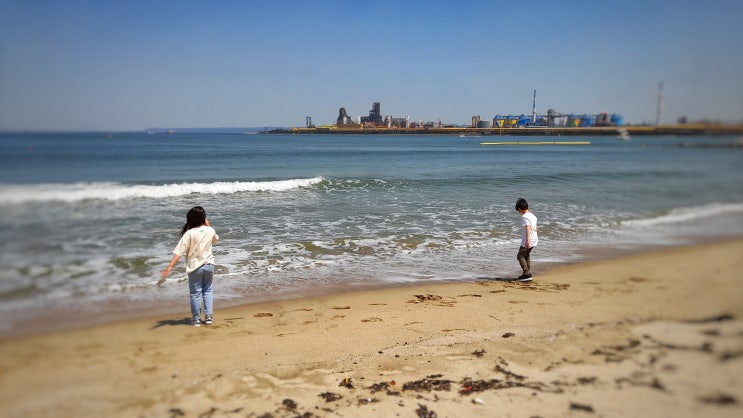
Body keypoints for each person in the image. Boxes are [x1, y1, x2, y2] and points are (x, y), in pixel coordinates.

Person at [161, 206, 219, 327]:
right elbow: (215, 240)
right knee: (208, 290)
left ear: (190, 219)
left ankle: (197, 319)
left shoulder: (189, 233)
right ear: (204, 218)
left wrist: (169, 267)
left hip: (195, 267)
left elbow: (179, 252)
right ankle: (208, 317)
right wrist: (208, 225)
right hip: (209, 265)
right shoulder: (210, 230)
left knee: (195, 293)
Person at [515, 198, 538, 282]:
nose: (518, 212)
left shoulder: (524, 217)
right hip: (534, 239)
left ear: (520, 209)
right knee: (526, 255)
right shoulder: (533, 216)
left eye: (518, 210)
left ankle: (526, 273)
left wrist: (527, 240)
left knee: (520, 256)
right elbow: (536, 228)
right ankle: (528, 273)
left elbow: (528, 228)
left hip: (528, 240)